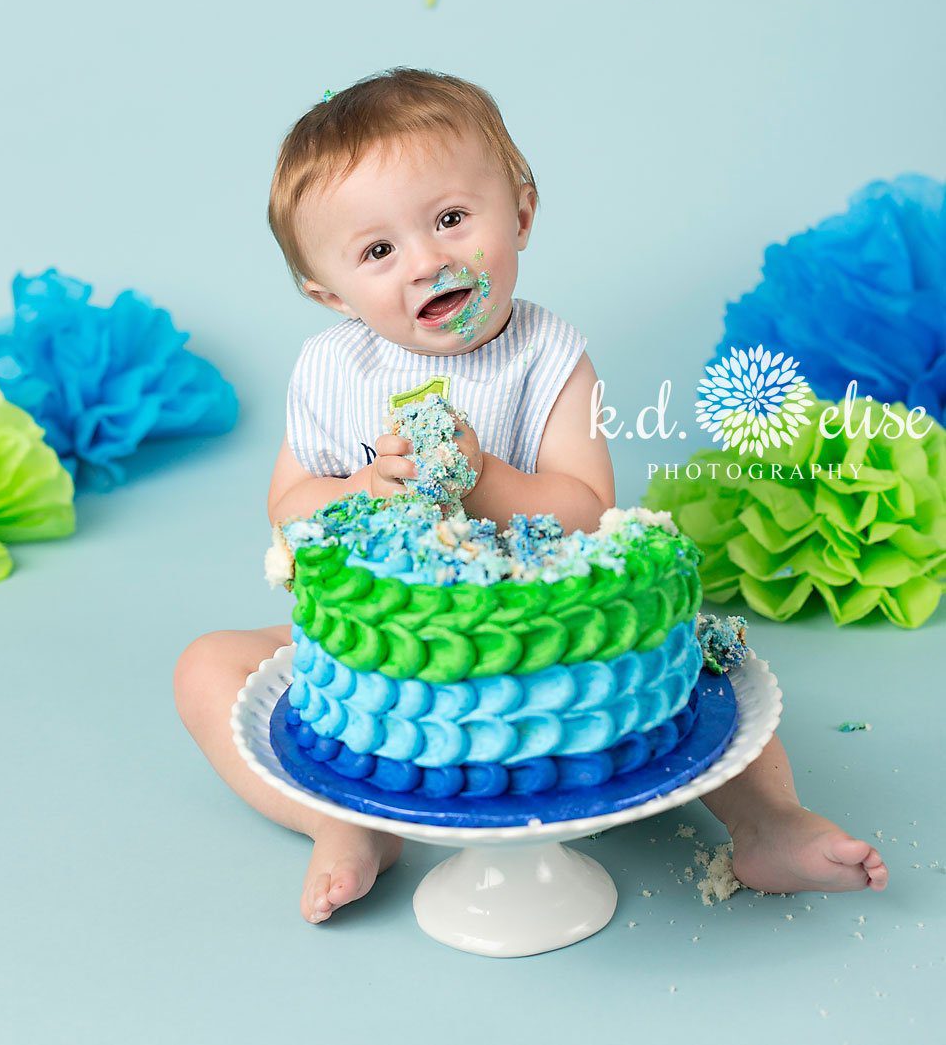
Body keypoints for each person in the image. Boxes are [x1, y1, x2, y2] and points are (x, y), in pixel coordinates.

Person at [174, 68, 888, 924]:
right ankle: (342, 823)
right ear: (330, 292)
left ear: (520, 213)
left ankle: (770, 822)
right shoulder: (334, 370)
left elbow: (589, 508)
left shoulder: (548, 356)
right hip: (391, 645)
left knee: (702, 664)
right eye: (377, 251)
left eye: (449, 219)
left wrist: (485, 477)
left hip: (560, 634)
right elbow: (287, 505)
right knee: (205, 666)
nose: (427, 260)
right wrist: (361, 486)